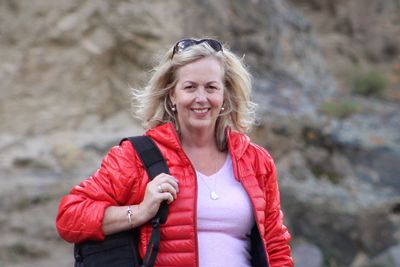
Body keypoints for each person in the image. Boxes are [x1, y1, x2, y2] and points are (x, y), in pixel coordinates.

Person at [56, 38, 293, 267]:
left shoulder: (255, 160)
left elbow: (275, 246)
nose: (201, 98)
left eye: (211, 87)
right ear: (172, 95)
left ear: (224, 95)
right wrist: (139, 212)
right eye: (190, 87)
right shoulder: (136, 156)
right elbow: (69, 217)